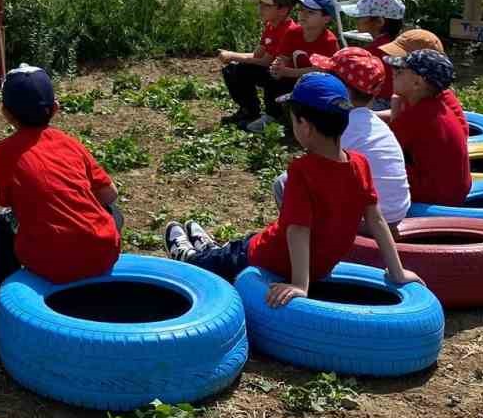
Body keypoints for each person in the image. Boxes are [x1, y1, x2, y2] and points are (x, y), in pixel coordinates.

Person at [166, 72, 419, 304]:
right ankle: (209, 246)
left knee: (218, 262)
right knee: (236, 247)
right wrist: (397, 271)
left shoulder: (303, 171)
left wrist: (300, 284)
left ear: (305, 126)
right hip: (292, 253)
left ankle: (190, 255)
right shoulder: (360, 163)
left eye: (293, 119)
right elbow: (376, 218)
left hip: (265, 257)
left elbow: (299, 230)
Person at [0, 65, 122, 326]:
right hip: (103, 252)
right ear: (56, 108)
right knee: (113, 213)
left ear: (5, 113)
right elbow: (110, 194)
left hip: (47, 261)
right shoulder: (70, 142)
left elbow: (10, 205)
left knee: (2, 221)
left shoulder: (3, 153)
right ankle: (97, 280)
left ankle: (5, 298)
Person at [304, 47, 411, 231]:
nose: (322, 78)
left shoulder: (339, 126)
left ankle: (310, 241)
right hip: (396, 212)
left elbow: (318, 175)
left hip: (371, 219)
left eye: (327, 75)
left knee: (285, 183)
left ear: (342, 89)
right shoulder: (372, 122)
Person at [378, 49, 473, 206]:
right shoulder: (433, 106)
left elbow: (386, 147)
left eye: (400, 71)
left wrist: (395, 109)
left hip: (436, 196)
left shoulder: (418, 115)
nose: (393, 73)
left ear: (417, 83)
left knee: (372, 163)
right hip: (454, 190)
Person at [216, 0, 300, 132]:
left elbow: (266, 61)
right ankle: (249, 111)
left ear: (283, 10)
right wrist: (232, 56)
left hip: (287, 79)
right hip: (272, 70)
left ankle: (274, 117)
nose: (260, 8)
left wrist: (233, 55)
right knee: (232, 69)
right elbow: (257, 55)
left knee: (252, 71)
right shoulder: (270, 26)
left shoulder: (288, 31)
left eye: (266, 5)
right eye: (260, 4)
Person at [379, 29, 465, 125]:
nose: (393, 71)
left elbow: (401, 129)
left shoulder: (428, 104)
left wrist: (395, 109)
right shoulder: (424, 91)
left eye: (398, 67)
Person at [269, 0, 341, 84]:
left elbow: (323, 70)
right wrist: (277, 66)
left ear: (326, 19)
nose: (303, 15)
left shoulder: (329, 41)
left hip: (317, 83)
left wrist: (289, 72)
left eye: (310, 12)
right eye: (301, 10)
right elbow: (283, 57)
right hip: (291, 79)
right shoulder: (292, 32)